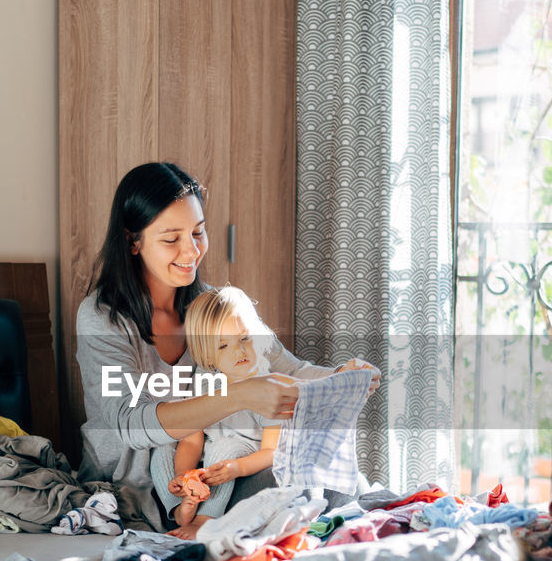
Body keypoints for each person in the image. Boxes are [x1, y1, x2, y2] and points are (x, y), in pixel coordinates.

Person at [75, 162, 377, 534]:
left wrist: (341, 376)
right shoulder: (102, 317)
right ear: (133, 241)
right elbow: (129, 424)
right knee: (305, 488)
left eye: (198, 233)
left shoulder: (212, 306)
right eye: (171, 239)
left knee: (317, 472)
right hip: (141, 488)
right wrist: (239, 396)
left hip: (218, 473)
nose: (191, 251)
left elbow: (285, 366)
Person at [153, 286, 285, 531]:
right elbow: (192, 441)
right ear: (209, 356)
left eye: (245, 338)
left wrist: (238, 468)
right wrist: (186, 477)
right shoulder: (204, 383)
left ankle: (205, 520)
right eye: (223, 346)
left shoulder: (270, 386)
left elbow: (271, 451)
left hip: (247, 454)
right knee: (162, 448)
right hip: (208, 456)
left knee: (226, 447)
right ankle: (180, 508)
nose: (239, 350)